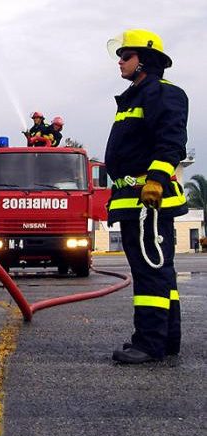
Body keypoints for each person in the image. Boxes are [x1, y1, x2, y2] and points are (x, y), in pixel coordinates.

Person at [104, 29, 189, 364]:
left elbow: (171, 141)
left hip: (148, 202)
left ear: (145, 60)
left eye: (126, 56)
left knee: (150, 271)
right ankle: (166, 338)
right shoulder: (137, 96)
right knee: (159, 272)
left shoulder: (161, 93)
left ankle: (149, 344)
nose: (120, 62)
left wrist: (154, 180)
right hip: (135, 200)